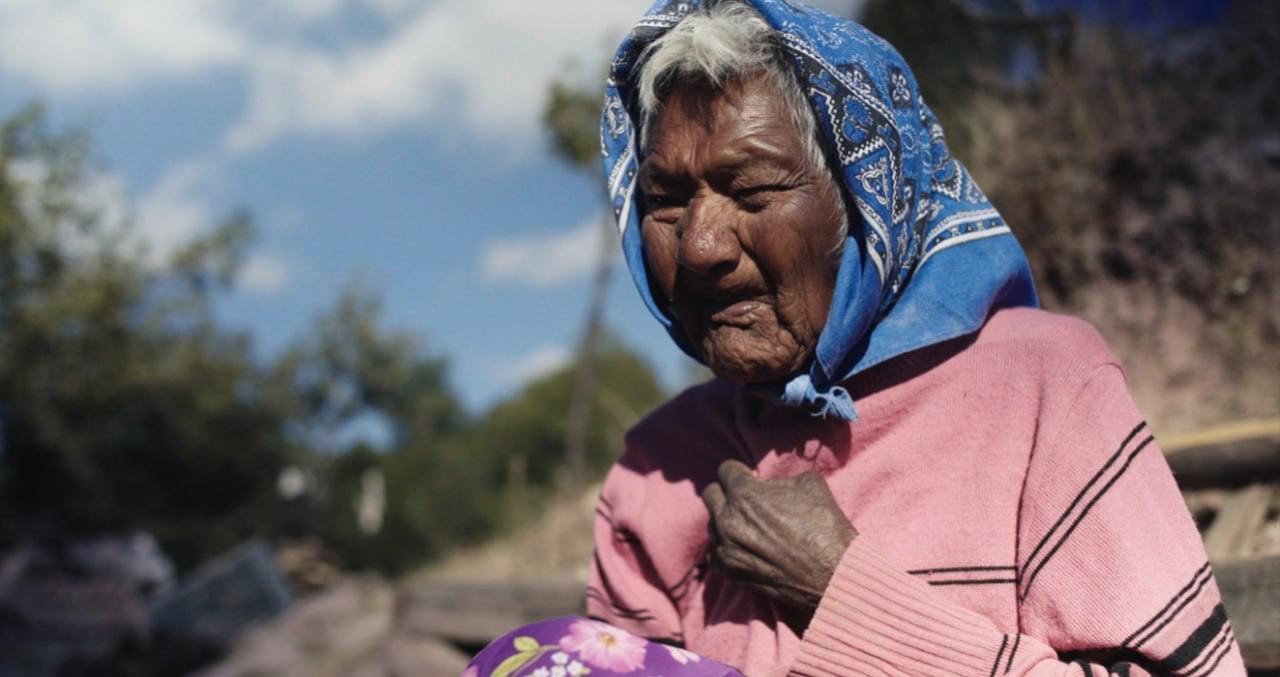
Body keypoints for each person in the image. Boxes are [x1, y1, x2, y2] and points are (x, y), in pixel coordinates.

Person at [466, 1, 1246, 675]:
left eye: (754, 189)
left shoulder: (1043, 389)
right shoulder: (654, 471)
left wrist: (841, 587)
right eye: (666, 200)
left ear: (866, 203)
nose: (701, 244)